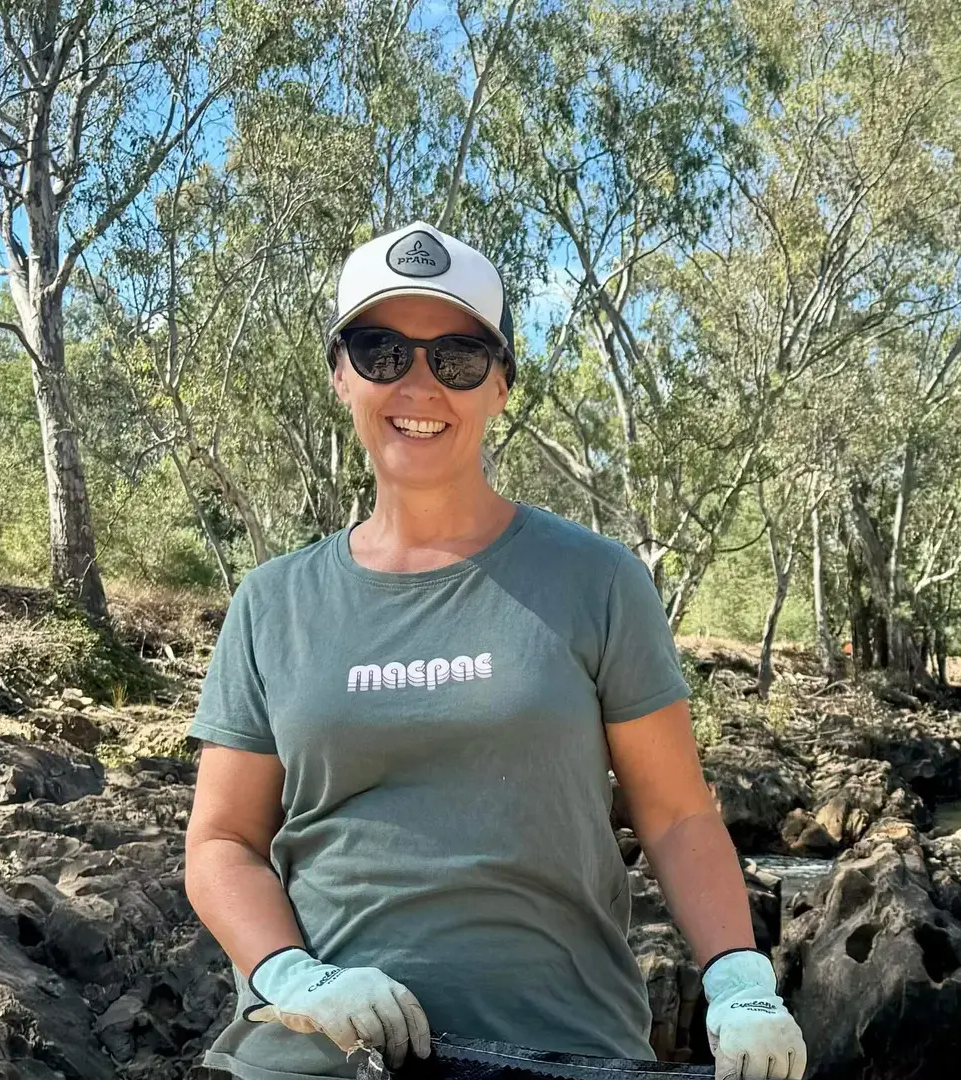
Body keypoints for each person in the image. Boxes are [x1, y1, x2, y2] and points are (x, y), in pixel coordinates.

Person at [182, 221, 808, 1080]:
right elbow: (222, 843)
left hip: (568, 1047)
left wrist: (739, 980)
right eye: (380, 351)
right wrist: (292, 975)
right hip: (320, 1058)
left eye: (458, 358)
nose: (419, 383)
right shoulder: (271, 602)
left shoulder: (598, 579)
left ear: (501, 385)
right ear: (340, 376)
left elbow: (677, 813)